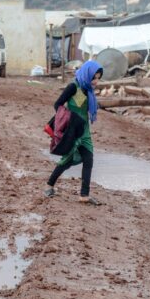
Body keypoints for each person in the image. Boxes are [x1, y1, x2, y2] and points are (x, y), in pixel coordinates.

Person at [44, 60, 103, 205]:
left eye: (98, 78)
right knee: (67, 160)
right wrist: (68, 118)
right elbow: (57, 104)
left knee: (88, 159)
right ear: (87, 74)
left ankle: (84, 195)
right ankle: (49, 185)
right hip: (72, 130)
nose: (96, 81)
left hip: (85, 131)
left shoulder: (88, 89)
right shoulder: (73, 87)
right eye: (94, 77)